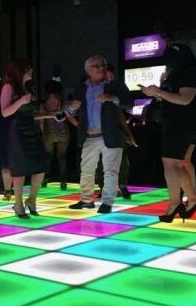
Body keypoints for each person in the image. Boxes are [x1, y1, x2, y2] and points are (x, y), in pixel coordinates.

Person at [141, 29, 196, 221]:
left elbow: (184, 99)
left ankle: (176, 203)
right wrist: (157, 90)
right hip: (179, 121)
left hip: (182, 122)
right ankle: (192, 200)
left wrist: (158, 91)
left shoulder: (188, 73)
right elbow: (173, 97)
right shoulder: (179, 73)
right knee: (179, 162)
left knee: (171, 162)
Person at [65, 55, 128, 214]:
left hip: (111, 135)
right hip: (89, 136)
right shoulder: (82, 87)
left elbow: (129, 103)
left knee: (110, 170)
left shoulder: (114, 85)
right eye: (97, 66)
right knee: (86, 169)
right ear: (88, 70)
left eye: (103, 65)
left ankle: (107, 202)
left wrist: (111, 98)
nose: (101, 68)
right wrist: (72, 107)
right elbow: (72, 109)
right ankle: (86, 200)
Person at [0, 59, 50, 218]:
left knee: (40, 166)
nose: (31, 71)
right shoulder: (8, 87)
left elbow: (31, 113)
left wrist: (51, 115)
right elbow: (4, 112)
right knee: (20, 168)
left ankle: (32, 199)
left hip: (32, 129)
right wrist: (21, 101)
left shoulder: (30, 88)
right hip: (17, 131)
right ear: (19, 71)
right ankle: (18, 204)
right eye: (28, 69)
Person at [94, 63, 134, 199]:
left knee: (120, 159)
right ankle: (105, 187)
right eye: (107, 76)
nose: (109, 78)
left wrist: (113, 99)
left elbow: (128, 104)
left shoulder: (118, 86)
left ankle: (121, 185)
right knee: (102, 160)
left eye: (111, 76)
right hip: (100, 129)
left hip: (115, 128)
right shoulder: (97, 87)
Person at [40, 76, 77, 190]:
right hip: (63, 132)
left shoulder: (43, 105)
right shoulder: (63, 103)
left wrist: (42, 134)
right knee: (62, 156)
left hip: (49, 133)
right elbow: (69, 116)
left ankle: (45, 179)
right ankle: (63, 180)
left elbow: (41, 122)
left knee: (48, 156)